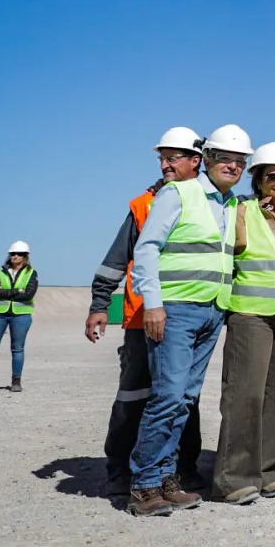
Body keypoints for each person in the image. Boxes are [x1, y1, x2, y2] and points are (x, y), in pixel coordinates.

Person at [126, 123, 251, 517]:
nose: (232, 166)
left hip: (212, 311)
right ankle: (144, 485)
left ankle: (167, 478)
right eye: (226, 159)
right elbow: (147, 249)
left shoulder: (231, 204)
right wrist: (154, 304)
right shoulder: (179, 192)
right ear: (207, 160)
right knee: (167, 397)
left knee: (184, 400)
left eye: (240, 162)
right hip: (175, 310)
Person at [88, 127, 204, 496]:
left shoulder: (212, 201)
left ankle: (181, 470)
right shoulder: (144, 205)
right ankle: (121, 471)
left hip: (184, 317)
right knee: (135, 395)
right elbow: (117, 259)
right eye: (162, 158)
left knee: (183, 397)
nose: (165, 164)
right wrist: (99, 304)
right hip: (143, 318)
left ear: (195, 161)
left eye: (173, 157)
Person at [212, 143, 275, 505]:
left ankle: (271, 472)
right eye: (272, 176)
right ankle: (234, 478)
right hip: (251, 313)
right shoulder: (242, 212)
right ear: (258, 180)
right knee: (245, 396)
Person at [0, 241, 37, 393]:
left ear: (25, 256)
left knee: (17, 348)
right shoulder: (0, 272)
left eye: (19, 254)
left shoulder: (31, 273)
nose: (15, 256)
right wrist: (17, 291)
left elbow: (29, 294)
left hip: (21, 315)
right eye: (12, 254)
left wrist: (6, 292)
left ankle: (16, 381)